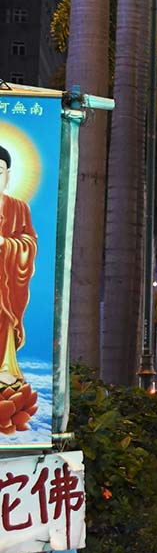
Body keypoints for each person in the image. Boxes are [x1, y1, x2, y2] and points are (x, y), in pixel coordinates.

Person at [0, 145, 36, 418]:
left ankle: (5, 371)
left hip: (7, 285)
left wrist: (7, 244)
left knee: (4, 321)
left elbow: (29, 243)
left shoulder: (19, 208)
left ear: (8, 175)